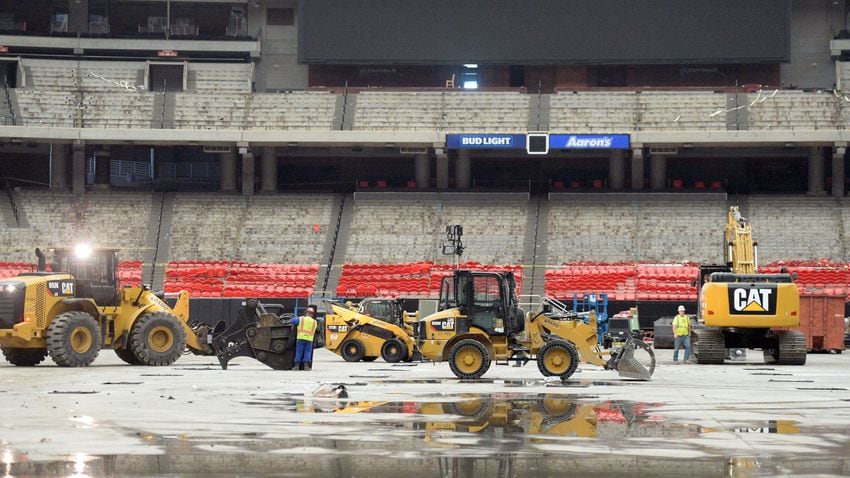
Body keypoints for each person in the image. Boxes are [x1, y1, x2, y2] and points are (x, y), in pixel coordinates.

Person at [291, 305, 318, 371]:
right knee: (307, 352)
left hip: (301, 338)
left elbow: (293, 321)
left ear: (306, 312)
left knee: (299, 352)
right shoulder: (315, 322)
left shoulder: (301, 319)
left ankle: (296, 366)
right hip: (309, 339)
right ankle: (306, 367)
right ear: (312, 314)